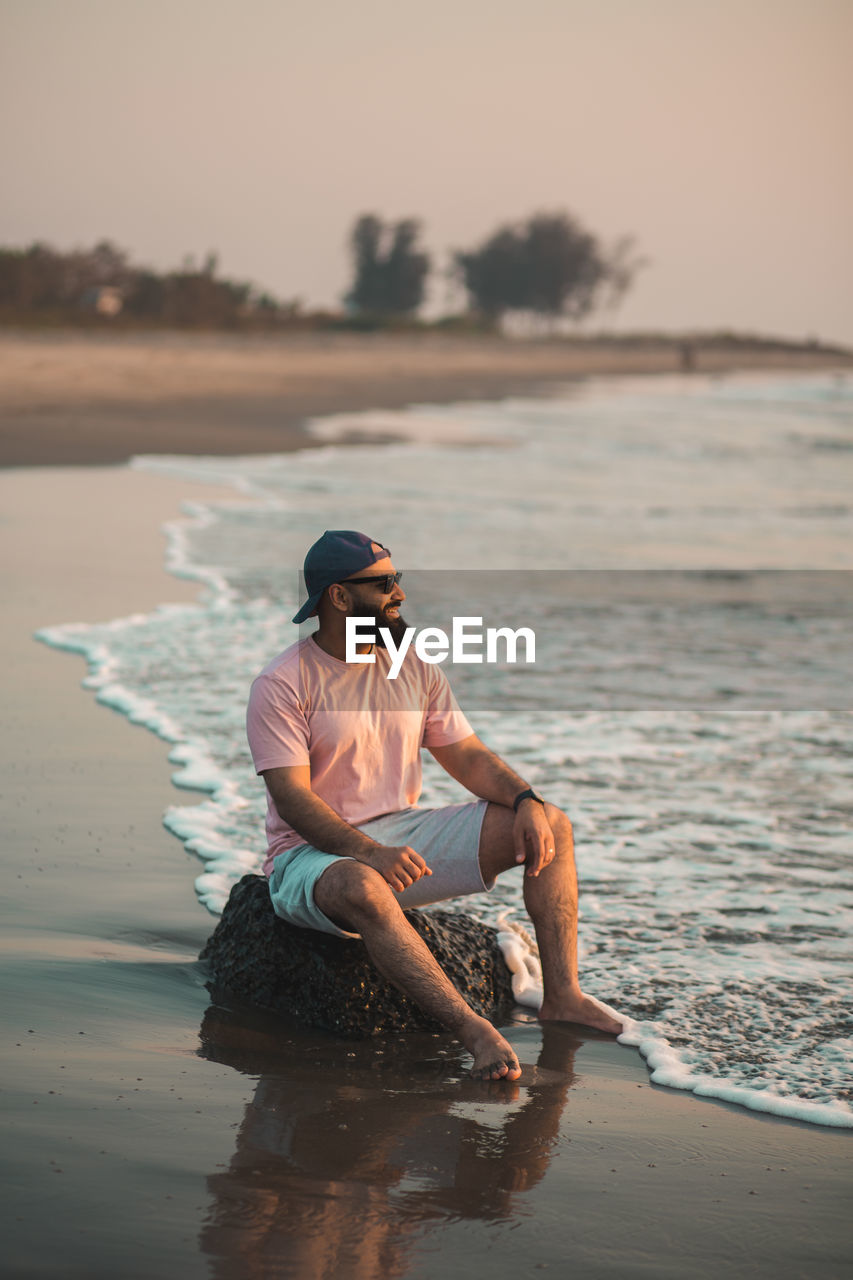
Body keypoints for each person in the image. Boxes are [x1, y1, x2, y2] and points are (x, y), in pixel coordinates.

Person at [246, 530, 622, 1082]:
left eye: (399, 579)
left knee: (551, 826)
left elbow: (467, 756)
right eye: (383, 583)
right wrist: (368, 852)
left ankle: (563, 995)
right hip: (307, 857)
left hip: (398, 833)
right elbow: (292, 798)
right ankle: (475, 1032)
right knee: (363, 885)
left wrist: (526, 800)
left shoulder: (412, 666)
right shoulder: (282, 684)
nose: (398, 592)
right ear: (339, 597)